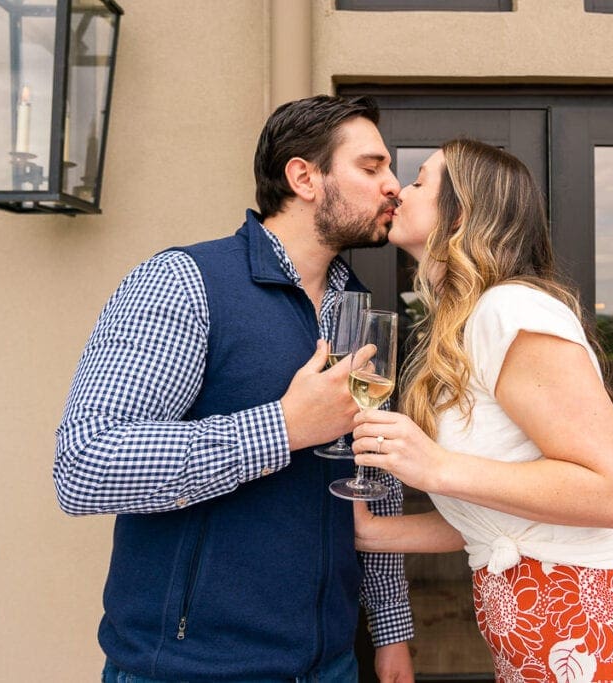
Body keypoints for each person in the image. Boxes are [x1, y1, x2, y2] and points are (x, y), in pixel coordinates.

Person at [54, 95, 415, 682]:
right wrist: (284, 428)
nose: (393, 185)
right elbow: (87, 465)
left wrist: (391, 629)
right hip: (190, 670)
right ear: (304, 177)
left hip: (331, 667)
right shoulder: (182, 283)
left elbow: (372, 484)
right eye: (372, 168)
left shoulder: (358, 310)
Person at [351, 139, 613, 682]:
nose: (399, 188)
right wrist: (370, 532)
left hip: (594, 627)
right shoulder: (460, 326)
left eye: (420, 181)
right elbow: (496, 517)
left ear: (461, 212)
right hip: (537, 633)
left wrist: (437, 467)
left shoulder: (508, 308)